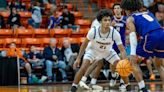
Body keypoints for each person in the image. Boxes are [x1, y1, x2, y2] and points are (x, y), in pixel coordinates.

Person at [70, 9, 129, 92]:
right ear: (100, 21)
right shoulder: (93, 31)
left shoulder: (114, 33)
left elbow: (122, 50)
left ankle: (127, 86)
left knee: (120, 66)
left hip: (107, 51)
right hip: (93, 50)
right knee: (84, 65)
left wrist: (125, 61)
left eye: (109, 20)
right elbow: (84, 44)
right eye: (105, 20)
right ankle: (74, 87)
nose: (108, 22)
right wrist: (78, 58)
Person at [121, 0, 164, 92]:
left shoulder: (130, 19)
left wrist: (133, 54)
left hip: (150, 36)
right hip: (161, 34)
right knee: (159, 64)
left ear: (126, 9)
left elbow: (132, 36)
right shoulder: (148, 13)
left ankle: (143, 89)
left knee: (134, 62)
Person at [110, 3, 127, 88]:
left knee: (122, 62)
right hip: (113, 44)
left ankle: (122, 81)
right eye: (115, 8)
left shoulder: (126, 19)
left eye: (118, 8)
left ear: (121, 10)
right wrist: (110, 26)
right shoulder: (110, 20)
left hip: (122, 44)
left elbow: (131, 29)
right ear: (113, 10)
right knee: (112, 63)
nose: (116, 9)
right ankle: (113, 76)